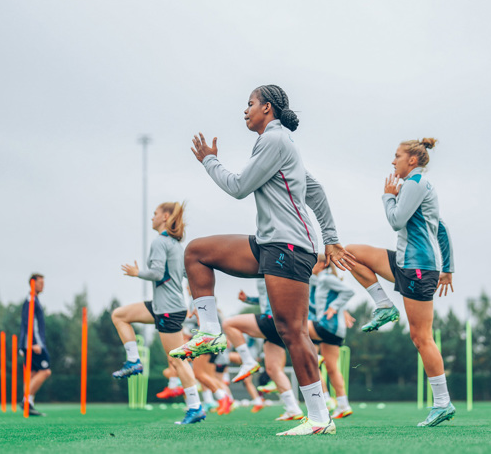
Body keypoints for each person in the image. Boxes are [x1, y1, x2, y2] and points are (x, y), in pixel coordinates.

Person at [170, 84, 355, 436]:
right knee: (196, 252)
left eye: (250, 103)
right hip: (270, 242)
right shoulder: (279, 142)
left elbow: (239, 186)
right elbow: (315, 191)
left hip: (288, 247)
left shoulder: (276, 140)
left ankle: (319, 418)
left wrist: (209, 160)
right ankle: (210, 331)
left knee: (292, 332)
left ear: (267, 108)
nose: (245, 110)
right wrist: (329, 238)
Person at [344, 138, 456, 427]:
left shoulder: (415, 185)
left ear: (412, 161)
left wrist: (387, 196)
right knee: (348, 253)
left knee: (421, 338)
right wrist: (448, 268)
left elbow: (396, 220)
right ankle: (383, 306)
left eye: (397, 157)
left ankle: (443, 403)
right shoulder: (419, 186)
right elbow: (441, 229)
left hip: (418, 268)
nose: (393, 162)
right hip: (406, 261)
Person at [111, 202, 206, 424]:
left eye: (154, 214)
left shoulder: (160, 242)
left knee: (178, 361)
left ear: (164, 217)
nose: (152, 217)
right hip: (162, 306)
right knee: (119, 315)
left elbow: (156, 273)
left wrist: (137, 273)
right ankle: (134, 360)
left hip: (168, 309)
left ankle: (195, 407)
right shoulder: (175, 245)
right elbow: (185, 275)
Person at [224, 278, 304, 420]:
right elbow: (265, 297)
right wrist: (248, 299)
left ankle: (248, 361)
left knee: (229, 324)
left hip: (272, 319)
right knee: (274, 370)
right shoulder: (266, 269)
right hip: (280, 323)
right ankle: (293, 408)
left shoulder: (271, 266)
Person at [308, 258, 356, 419]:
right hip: (335, 331)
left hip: (328, 327)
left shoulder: (327, 278)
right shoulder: (322, 279)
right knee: (332, 368)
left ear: (323, 264)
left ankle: (316, 357)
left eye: (313, 262)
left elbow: (349, 292)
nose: (311, 265)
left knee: (294, 327)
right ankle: (343, 406)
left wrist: (334, 307)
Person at [19, 274, 51, 416]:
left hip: (30, 343)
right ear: (33, 283)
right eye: (40, 282)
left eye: (43, 282)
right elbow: (28, 322)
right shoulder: (31, 300)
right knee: (45, 371)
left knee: (32, 374)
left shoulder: (34, 299)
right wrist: (34, 343)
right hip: (33, 343)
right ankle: (26, 400)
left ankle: (29, 404)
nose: (42, 285)